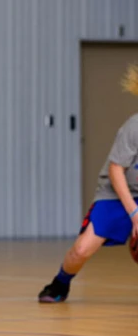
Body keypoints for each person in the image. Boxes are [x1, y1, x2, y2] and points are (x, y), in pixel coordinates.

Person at [38, 65, 138, 303]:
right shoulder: (134, 127)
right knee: (82, 250)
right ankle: (60, 283)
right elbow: (116, 172)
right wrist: (134, 214)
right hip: (116, 193)